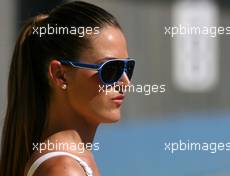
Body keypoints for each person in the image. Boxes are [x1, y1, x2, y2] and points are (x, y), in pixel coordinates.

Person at [0, 1, 135, 176]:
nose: (125, 82)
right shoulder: (64, 169)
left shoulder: (72, 162)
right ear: (60, 75)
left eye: (127, 68)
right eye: (111, 69)